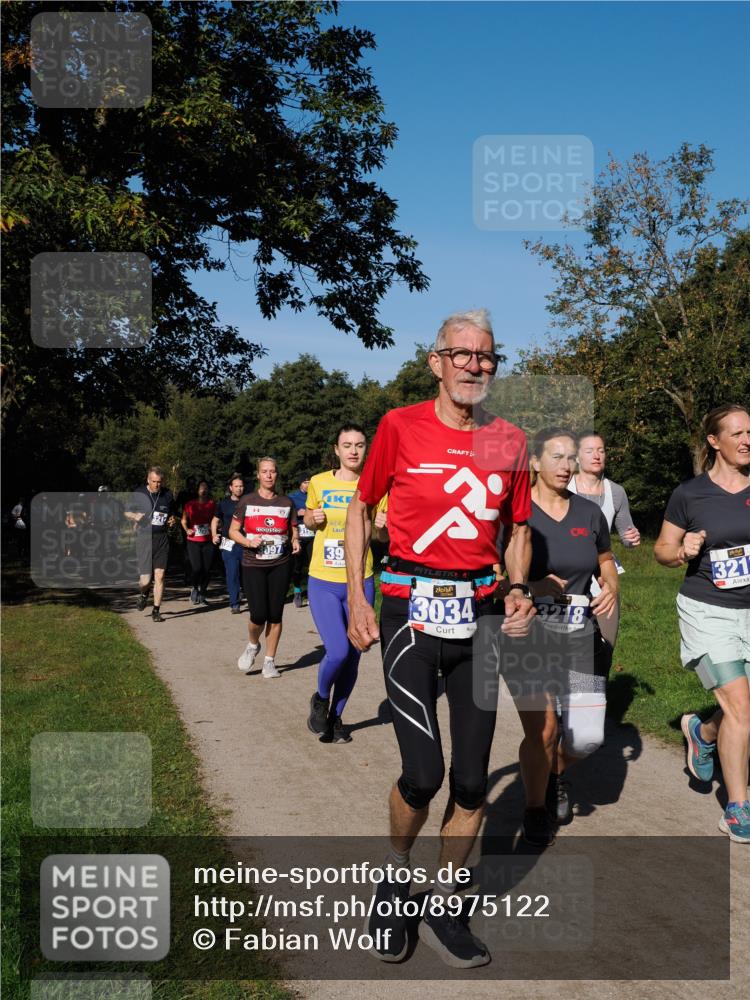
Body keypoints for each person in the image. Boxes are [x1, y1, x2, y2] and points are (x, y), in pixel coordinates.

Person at [345, 309, 535, 969]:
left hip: (480, 617)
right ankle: (395, 881)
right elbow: (360, 508)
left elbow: (518, 528)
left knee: (476, 781)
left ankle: (446, 903)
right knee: (424, 775)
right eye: (463, 354)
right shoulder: (399, 427)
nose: (475, 365)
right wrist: (354, 594)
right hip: (408, 614)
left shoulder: (511, 440)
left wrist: (518, 587)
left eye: (486, 356)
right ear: (437, 361)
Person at [508, 428, 619, 846]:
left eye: (571, 458)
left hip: (579, 633)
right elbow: (496, 576)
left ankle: (554, 771)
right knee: (545, 728)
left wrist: (611, 587)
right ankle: (535, 807)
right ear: (535, 463)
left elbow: (605, 560)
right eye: (556, 457)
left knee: (588, 736)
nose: (566, 466)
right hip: (528, 636)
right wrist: (530, 588)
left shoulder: (589, 513)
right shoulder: (517, 516)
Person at [654, 403, 750, 844]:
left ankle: (702, 730)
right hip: (706, 611)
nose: (747, 439)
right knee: (741, 708)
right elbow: (662, 551)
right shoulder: (689, 494)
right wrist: (684, 551)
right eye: (738, 433)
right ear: (714, 442)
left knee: (742, 711)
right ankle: (737, 808)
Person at [305, 426, 387, 744]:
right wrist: (314, 518)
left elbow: (381, 537)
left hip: (362, 581)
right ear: (336, 450)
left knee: (355, 654)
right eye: (347, 445)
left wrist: (383, 528)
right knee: (338, 651)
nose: (353, 451)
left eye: (360, 445)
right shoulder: (318, 482)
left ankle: (336, 718)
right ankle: (321, 698)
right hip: (324, 581)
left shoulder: (376, 485)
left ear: (366, 450)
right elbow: (309, 520)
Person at [568, 431, 639, 647]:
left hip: (604, 578)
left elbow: (627, 534)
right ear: (578, 457)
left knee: (605, 646)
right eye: (590, 451)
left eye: (601, 450)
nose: (597, 455)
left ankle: (594, 680)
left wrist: (632, 538)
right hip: (567, 579)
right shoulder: (563, 487)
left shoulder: (616, 492)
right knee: (568, 647)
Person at [230, 457, 300, 678]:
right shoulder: (247, 501)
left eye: (272, 471)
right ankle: (252, 645)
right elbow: (233, 531)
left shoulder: (286, 503)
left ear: (276, 475)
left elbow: (293, 529)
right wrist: (248, 542)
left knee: (276, 615)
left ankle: (270, 661)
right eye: (264, 471)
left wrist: (295, 540)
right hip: (253, 564)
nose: (269, 475)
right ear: (258, 475)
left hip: (280, 563)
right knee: (258, 614)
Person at [124, 466, 176, 622]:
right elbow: (126, 512)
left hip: (161, 539)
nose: (157, 485)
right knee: (145, 580)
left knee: (160, 576)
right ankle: (143, 593)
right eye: (154, 481)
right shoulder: (139, 493)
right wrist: (135, 516)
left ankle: (156, 610)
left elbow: (171, 514)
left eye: (159, 482)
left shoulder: (167, 495)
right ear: (148, 480)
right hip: (144, 539)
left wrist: (172, 521)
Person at [211, 473, 246, 613]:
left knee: (246, 573)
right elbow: (215, 520)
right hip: (228, 542)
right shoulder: (223, 503)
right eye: (236, 486)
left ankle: (245, 592)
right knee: (232, 573)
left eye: (241, 486)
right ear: (231, 488)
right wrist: (214, 535)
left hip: (245, 542)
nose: (239, 489)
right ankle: (234, 603)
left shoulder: (248, 501)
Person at [181, 479, 217, 606]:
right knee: (197, 568)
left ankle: (203, 593)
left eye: (206, 487)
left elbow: (217, 520)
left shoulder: (212, 504)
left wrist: (214, 528)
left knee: (207, 569)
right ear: (197, 490)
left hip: (208, 541)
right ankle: (195, 588)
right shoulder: (190, 504)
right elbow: (183, 520)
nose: (204, 489)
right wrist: (187, 529)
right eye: (201, 487)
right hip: (193, 541)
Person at [289, 473, 315, 608]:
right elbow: (287, 514)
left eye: (310, 482)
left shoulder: (316, 494)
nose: (308, 485)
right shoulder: (292, 497)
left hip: (313, 536)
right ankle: (297, 591)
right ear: (300, 484)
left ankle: (312, 594)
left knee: (313, 566)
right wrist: (296, 513)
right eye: (305, 482)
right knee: (297, 566)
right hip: (298, 535)